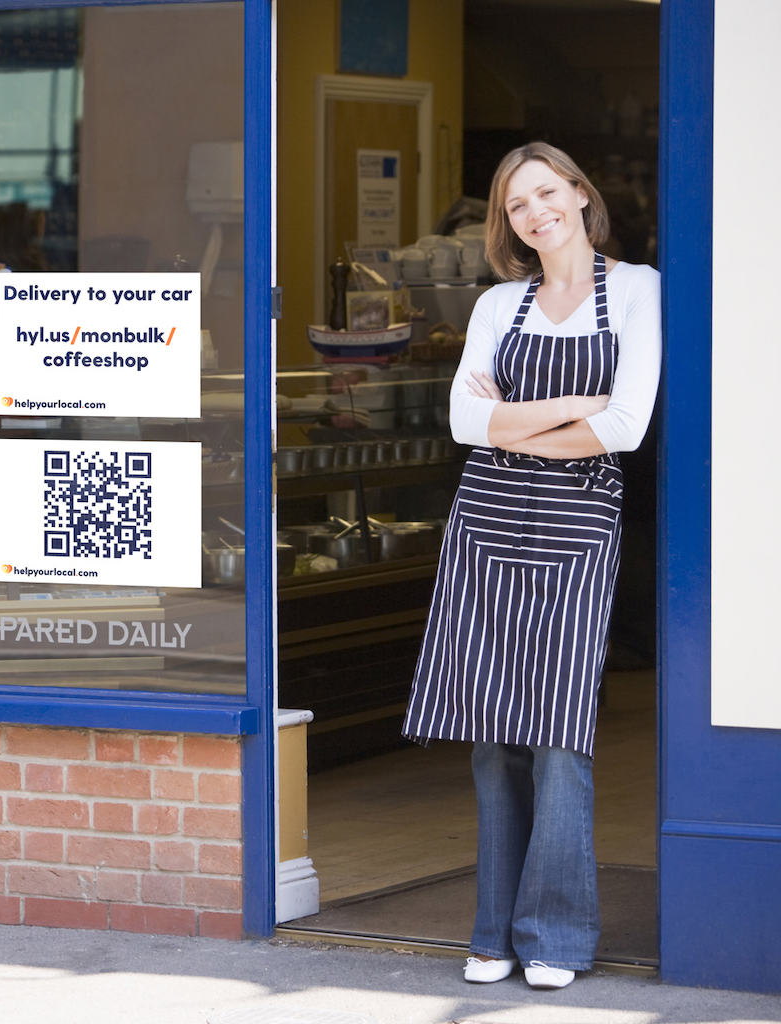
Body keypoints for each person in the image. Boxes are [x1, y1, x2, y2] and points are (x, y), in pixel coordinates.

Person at [401, 141, 661, 990]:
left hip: (579, 525)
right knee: (491, 734)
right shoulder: (496, 305)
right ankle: (493, 933)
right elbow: (464, 426)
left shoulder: (635, 291)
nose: (535, 212)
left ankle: (554, 935)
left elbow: (625, 427)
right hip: (484, 523)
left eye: (546, 193)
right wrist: (572, 404)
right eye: (516, 205)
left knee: (557, 734)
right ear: (504, 223)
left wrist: (515, 420)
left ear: (581, 194)